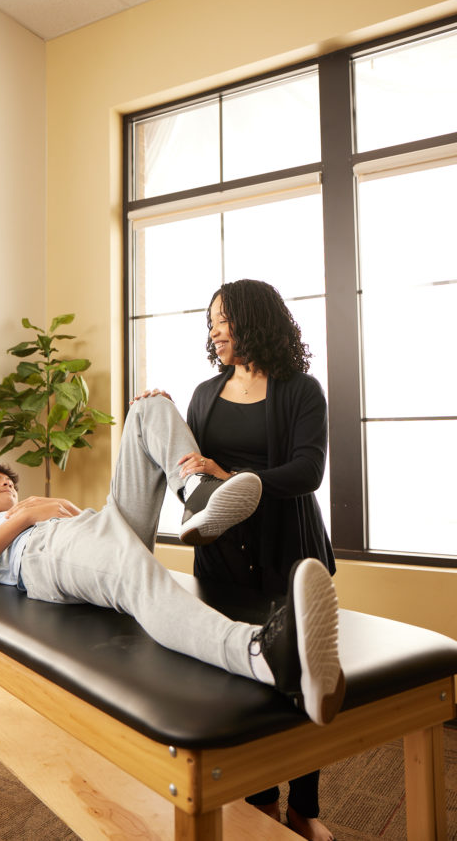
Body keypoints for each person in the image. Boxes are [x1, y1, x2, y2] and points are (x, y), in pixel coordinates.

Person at [0, 392, 345, 728]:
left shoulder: (34, 507)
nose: (9, 488)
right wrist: (25, 519)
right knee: (138, 579)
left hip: (93, 527)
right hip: (41, 554)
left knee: (148, 406)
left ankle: (196, 492)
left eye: (12, 485)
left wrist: (54, 510)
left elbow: (76, 525)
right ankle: (259, 655)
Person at [179, 278, 337, 841]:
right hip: (221, 554)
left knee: (298, 679)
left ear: (253, 320)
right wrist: (158, 417)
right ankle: (260, 798)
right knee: (239, 677)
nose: (214, 329)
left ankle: (304, 806)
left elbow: (307, 471)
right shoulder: (203, 393)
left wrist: (234, 478)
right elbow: (189, 471)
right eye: (211, 320)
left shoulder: (300, 389)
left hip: (286, 552)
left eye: (223, 318)